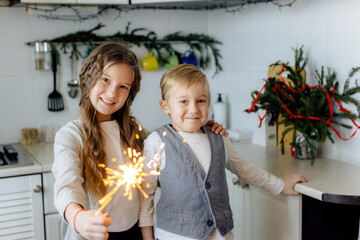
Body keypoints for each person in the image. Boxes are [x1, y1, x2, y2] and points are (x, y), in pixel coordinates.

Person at [52, 42, 227, 240]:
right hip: (90, 235)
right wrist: (78, 217)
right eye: (105, 80)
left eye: (123, 87)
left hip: (134, 233)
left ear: (130, 94)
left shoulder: (135, 133)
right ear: (89, 77)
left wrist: (200, 133)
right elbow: (66, 187)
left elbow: (171, 166)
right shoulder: (70, 136)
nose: (112, 93)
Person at [139, 64, 307, 240]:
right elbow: (145, 196)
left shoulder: (218, 137)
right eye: (183, 101)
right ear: (165, 106)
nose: (194, 109)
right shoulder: (157, 142)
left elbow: (245, 169)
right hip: (172, 235)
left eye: (201, 101)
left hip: (221, 235)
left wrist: (280, 185)